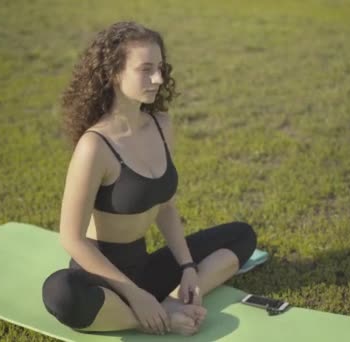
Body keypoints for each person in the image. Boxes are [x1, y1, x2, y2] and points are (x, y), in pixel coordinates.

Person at [41, 21, 257, 337]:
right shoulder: (95, 146)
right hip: (103, 278)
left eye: (160, 68)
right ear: (114, 74)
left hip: (145, 267)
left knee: (242, 236)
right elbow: (72, 239)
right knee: (61, 292)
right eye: (145, 69)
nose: (157, 78)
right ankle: (157, 318)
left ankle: (170, 303)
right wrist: (135, 295)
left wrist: (186, 268)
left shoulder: (161, 125)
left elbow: (165, 207)